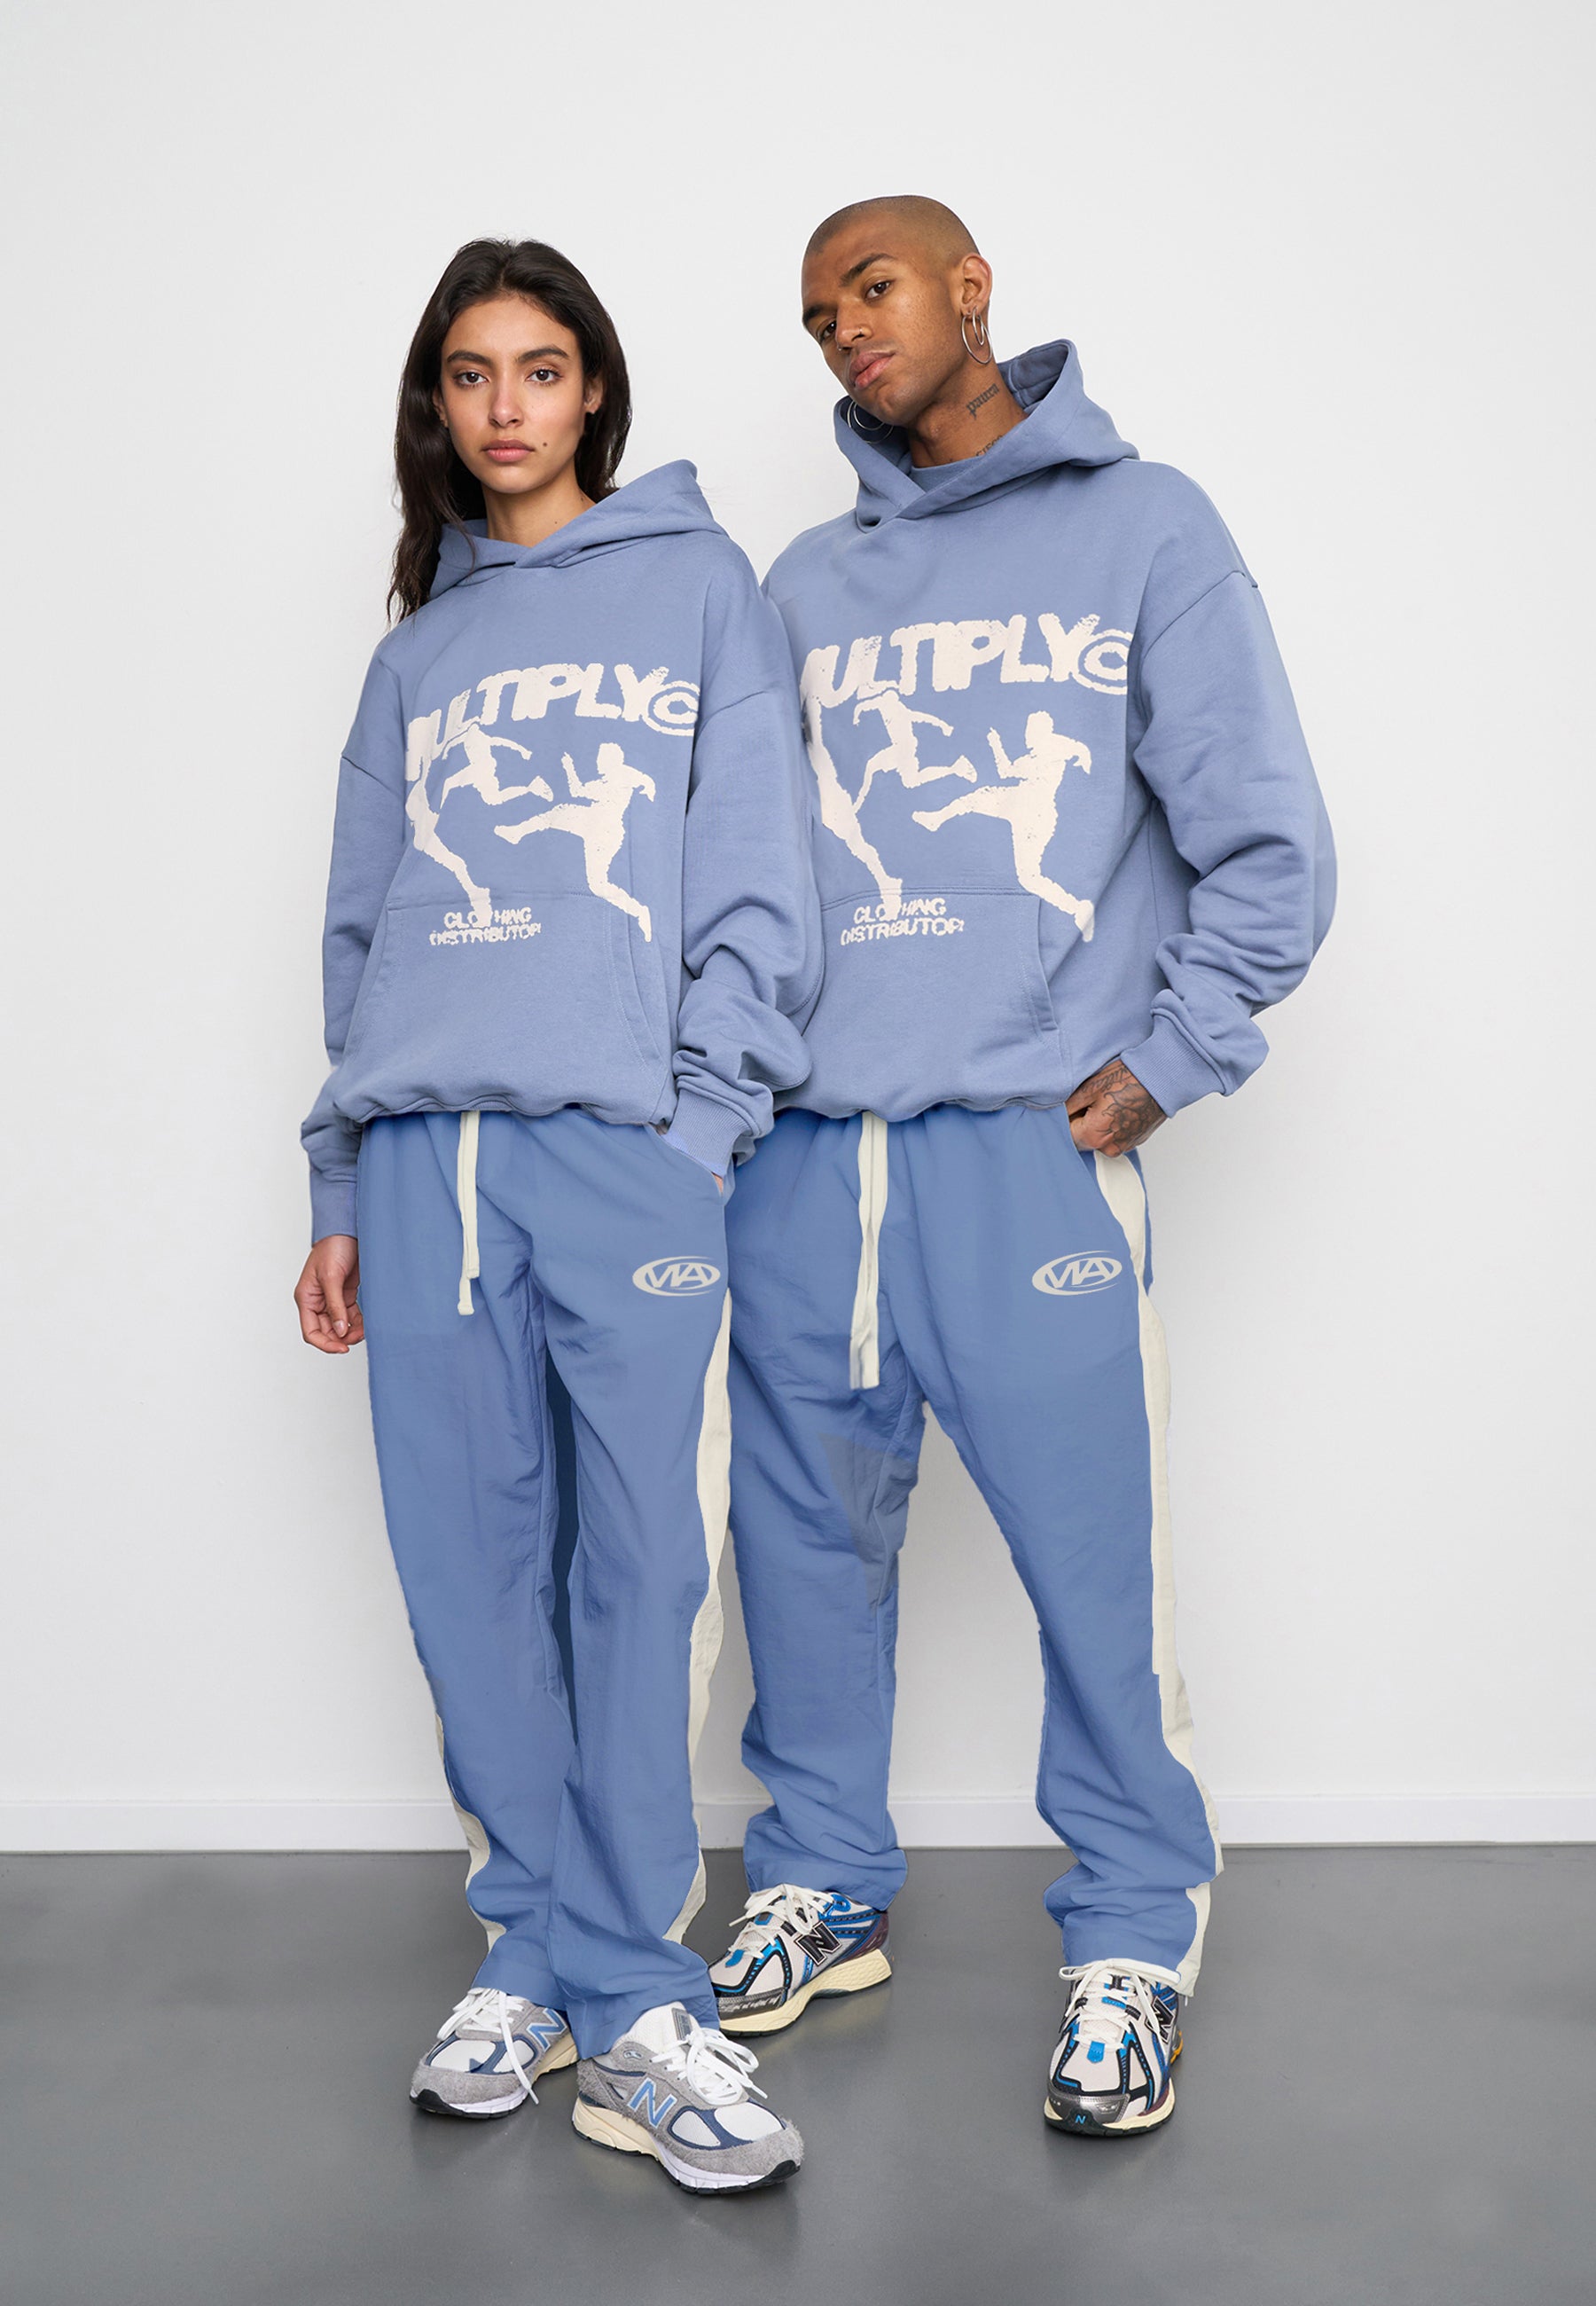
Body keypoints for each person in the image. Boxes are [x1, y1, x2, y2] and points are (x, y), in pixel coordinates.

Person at [708, 197, 1334, 2138]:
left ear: (972, 289)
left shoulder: (1150, 529)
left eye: (873, 289)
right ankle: (821, 1876)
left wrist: (1167, 1060)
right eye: (818, 314)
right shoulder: (799, 584)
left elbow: (1268, 845)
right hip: (810, 1155)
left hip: (1026, 1151)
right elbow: (742, 878)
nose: (845, 331)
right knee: (799, 1553)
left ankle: (1133, 1935)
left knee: (1092, 1567)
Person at [294, 238, 819, 2194]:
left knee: (643, 1569)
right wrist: (340, 1172)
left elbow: (756, 872)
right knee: (470, 1572)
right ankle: (528, 1947)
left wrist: (701, 1127)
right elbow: (361, 933)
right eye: (469, 373)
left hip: (627, 1151)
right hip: (423, 1156)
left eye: (538, 367)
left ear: (594, 386)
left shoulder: (700, 587)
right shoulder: (415, 653)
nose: (505, 405)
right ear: (437, 406)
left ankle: (636, 1990)